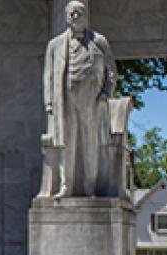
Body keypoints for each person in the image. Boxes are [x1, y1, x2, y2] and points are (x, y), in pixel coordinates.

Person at [42, 1, 117, 197]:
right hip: (64, 100)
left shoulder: (99, 41)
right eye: (71, 13)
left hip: (90, 100)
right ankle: (66, 186)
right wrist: (49, 102)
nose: (75, 17)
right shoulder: (55, 44)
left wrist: (105, 94)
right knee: (66, 143)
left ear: (86, 16)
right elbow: (48, 75)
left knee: (90, 143)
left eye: (79, 13)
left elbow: (111, 71)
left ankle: (89, 187)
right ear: (66, 16)